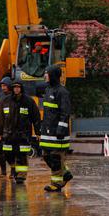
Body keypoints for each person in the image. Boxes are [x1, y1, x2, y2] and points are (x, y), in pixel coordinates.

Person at [0, 78, 40, 185]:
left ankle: (21, 176)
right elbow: (0, 118)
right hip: (8, 134)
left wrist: (38, 132)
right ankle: (14, 168)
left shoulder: (29, 101)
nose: (16, 89)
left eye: (18, 87)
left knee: (22, 155)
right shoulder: (5, 101)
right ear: (12, 88)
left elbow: (36, 117)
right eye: (14, 87)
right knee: (7, 154)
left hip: (23, 135)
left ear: (21, 88)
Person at [39, 64, 74, 192]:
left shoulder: (62, 92)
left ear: (53, 75)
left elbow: (65, 113)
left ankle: (57, 183)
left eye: (47, 74)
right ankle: (65, 174)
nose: (45, 76)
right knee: (46, 156)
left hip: (58, 133)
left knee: (55, 158)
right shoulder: (48, 90)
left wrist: (61, 129)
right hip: (48, 131)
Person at [0, 76, 13, 178]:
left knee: (11, 151)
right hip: (1, 127)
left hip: (11, 128)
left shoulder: (14, 96)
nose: (3, 87)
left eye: (5, 85)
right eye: (2, 85)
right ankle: (3, 172)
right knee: (1, 151)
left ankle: (13, 171)